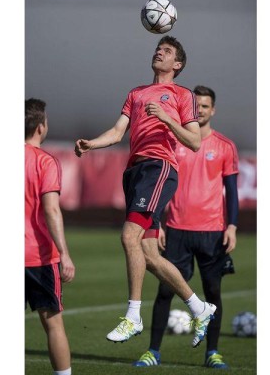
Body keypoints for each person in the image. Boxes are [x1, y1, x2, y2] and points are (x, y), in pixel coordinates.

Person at [74, 36, 217, 349]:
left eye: (166, 51)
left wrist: (167, 117)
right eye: (158, 48)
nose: (159, 52)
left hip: (158, 168)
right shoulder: (136, 92)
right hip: (135, 172)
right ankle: (199, 307)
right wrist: (91, 144)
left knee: (129, 237)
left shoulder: (182, 95)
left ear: (177, 64)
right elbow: (117, 132)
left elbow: (194, 142)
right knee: (150, 256)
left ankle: (133, 316)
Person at [132, 85, 239, 369]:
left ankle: (212, 353)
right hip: (176, 229)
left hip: (212, 231)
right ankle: (153, 351)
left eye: (205, 106)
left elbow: (232, 190)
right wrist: (159, 222)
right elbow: (161, 183)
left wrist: (232, 226)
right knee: (166, 291)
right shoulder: (175, 142)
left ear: (212, 110)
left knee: (212, 292)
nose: (201, 110)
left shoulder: (225, 146)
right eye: (198, 106)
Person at [25, 98, 76, 375]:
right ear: (41, 127)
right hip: (39, 257)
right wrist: (65, 253)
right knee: (53, 324)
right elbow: (51, 209)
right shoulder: (45, 161)